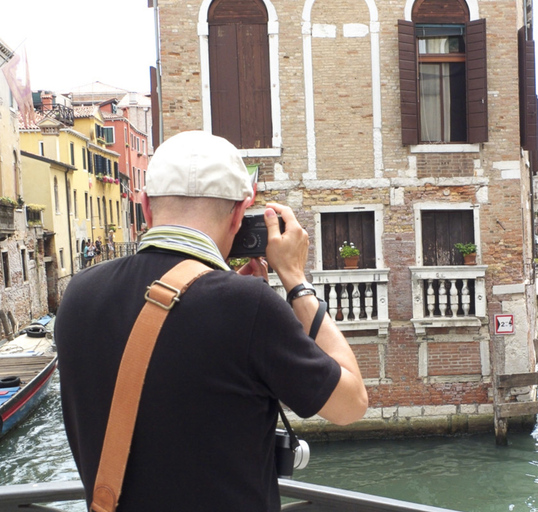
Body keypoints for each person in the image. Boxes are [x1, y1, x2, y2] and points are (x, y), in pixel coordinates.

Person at [55, 131, 368, 512]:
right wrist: (295, 280)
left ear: (146, 206)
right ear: (239, 213)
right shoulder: (248, 306)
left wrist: (224, 293)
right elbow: (351, 404)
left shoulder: (79, 294)